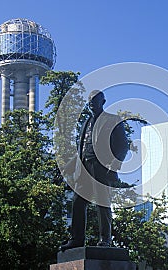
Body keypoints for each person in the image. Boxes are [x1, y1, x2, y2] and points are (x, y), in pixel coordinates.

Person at [60, 90, 129, 251]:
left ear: (103, 102)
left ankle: (105, 239)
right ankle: (77, 239)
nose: (91, 103)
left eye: (94, 100)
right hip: (84, 168)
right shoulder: (85, 123)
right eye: (89, 101)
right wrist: (67, 168)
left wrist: (114, 163)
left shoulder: (112, 120)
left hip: (101, 168)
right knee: (77, 203)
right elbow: (81, 149)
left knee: (102, 203)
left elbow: (123, 144)